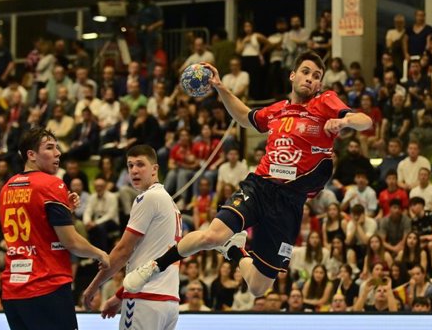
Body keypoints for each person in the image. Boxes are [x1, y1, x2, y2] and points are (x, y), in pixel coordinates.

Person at [123, 51, 371, 300]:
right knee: (212, 235)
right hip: (260, 186)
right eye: (305, 72)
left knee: (258, 287)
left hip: (290, 203)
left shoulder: (325, 102)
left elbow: (365, 120)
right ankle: (155, 266)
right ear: (293, 75)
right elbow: (244, 116)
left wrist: (345, 121)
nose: (310, 79)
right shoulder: (277, 110)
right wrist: (220, 88)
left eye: (316, 76)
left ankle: (233, 251)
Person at [0, 127, 110, 330]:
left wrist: (64, 209)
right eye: (49, 147)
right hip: (46, 286)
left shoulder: (7, 188)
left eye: (57, 146)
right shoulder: (52, 184)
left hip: (14, 291)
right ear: (31, 155)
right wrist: (100, 253)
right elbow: (71, 241)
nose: (58, 153)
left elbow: (38, 229)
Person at [81, 145, 181, 330]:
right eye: (130, 166)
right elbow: (150, 259)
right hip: (168, 300)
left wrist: (93, 286)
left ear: (155, 169)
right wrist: (120, 295)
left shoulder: (147, 198)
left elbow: (123, 250)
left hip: (147, 299)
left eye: (140, 164)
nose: (134, 171)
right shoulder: (169, 202)